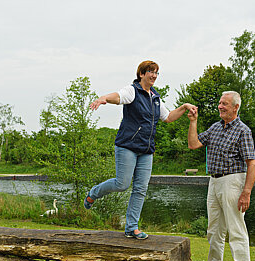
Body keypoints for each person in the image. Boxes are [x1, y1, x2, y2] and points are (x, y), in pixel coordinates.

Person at [84, 60, 196, 240]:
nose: (154, 75)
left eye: (156, 73)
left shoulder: (155, 98)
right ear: (141, 74)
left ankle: (131, 227)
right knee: (122, 184)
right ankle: (93, 193)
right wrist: (104, 98)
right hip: (127, 146)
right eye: (150, 72)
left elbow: (167, 118)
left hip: (146, 150)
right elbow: (118, 97)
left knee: (141, 189)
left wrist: (183, 107)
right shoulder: (132, 91)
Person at [187, 91, 255, 261]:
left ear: (236, 107)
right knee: (214, 229)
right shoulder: (215, 128)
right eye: (219, 103)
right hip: (214, 181)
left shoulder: (243, 131)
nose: (220, 106)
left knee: (236, 228)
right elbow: (193, 144)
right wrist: (193, 121)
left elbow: (252, 164)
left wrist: (246, 192)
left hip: (233, 181)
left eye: (225, 104)